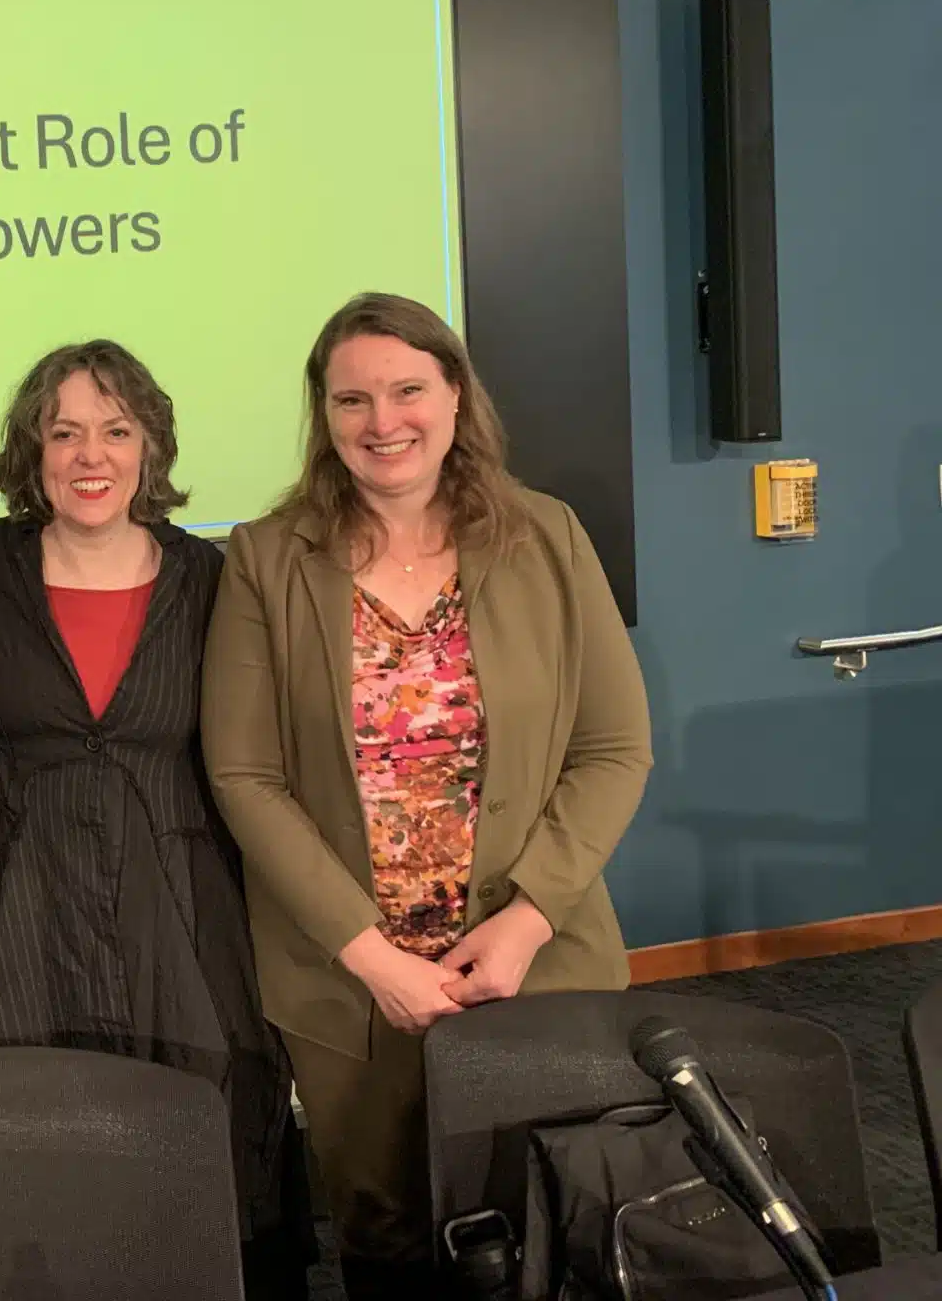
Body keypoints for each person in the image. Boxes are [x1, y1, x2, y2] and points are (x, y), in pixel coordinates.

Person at [200, 292, 652, 1299]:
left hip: (533, 959)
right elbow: (244, 776)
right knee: (389, 1238)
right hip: (351, 986)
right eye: (351, 399)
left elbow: (614, 748)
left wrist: (528, 921)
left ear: (455, 395)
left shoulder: (545, 536)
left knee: (557, 1224)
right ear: (323, 415)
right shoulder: (267, 557)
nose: (382, 421)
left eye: (407, 390)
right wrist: (373, 959)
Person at [0, 339, 312, 1298]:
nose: (89, 456)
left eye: (115, 431)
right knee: (33, 1133)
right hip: (23, 903)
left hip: (182, 909)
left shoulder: (210, 577)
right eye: (63, 433)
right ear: (31, 451)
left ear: (151, 447)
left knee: (201, 1131)